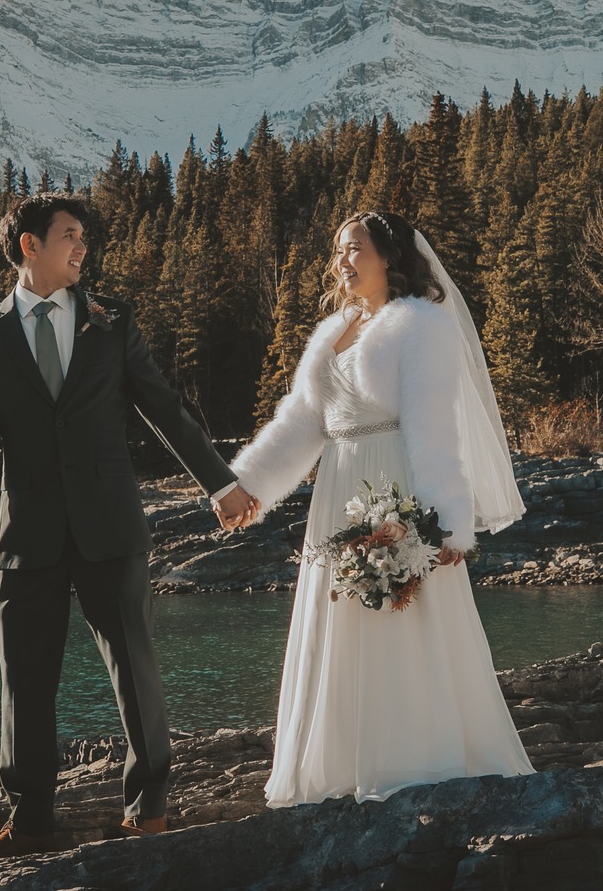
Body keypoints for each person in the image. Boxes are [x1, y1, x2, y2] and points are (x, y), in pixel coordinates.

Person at [0, 193, 257, 856]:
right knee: (24, 683)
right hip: (26, 537)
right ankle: (30, 825)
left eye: (84, 236)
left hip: (110, 526)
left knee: (135, 672)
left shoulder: (112, 322)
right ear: (29, 245)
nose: (83, 247)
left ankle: (149, 813)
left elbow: (163, 407)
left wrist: (221, 483)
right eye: (69, 235)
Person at [227, 209, 534, 806]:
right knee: (342, 618)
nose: (342, 261)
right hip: (337, 493)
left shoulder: (422, 325)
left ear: (390, 257)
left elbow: (434, 427)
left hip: (395, 489)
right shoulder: (333, 330)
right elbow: (301, 421)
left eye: (355, 249)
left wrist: (448, 522)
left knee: (404, 618)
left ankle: (413, 759)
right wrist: (247, 486)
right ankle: (342, 762)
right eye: (338, 250)